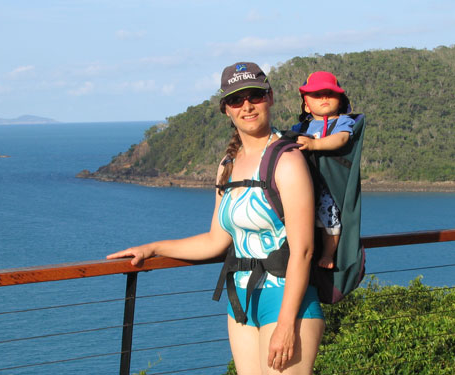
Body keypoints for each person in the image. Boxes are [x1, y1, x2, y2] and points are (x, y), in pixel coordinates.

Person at [107, 62, 325, 374]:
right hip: (241, 299)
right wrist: (153, 248)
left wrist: (287, 324)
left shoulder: (287, 160)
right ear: (226, 109)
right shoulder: (227, 165)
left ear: (271, 98)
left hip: (286, 299)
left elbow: (303, 250)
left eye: (255, 96)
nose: (247, 106)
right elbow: (215, 240)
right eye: (236, 100)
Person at [291, 71, 355, 269]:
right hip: (305, 184)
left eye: (330, 93)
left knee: (330, 216)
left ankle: (328, 254)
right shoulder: (300, 126)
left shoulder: (343, 122)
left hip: (329, 185)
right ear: (305, 103)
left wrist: (314, 145)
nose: (324, 98)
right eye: (316, 95)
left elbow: (342, 138)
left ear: (341, 99)